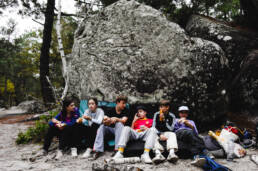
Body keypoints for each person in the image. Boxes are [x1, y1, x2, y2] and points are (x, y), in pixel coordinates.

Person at [92, 95, 129, 159]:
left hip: (121, 131)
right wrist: (107, 120)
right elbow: (105, 119)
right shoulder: (110, 110)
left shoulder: (126, 110)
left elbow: (123, 121)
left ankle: (117, 150)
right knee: (102, 126)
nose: (124, 105)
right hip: (111, 129)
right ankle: (97, 150)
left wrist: (116, 119)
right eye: (123, 103)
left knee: (119, 124)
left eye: (125, 103)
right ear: (117, 102)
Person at [152, 100, 179, 164]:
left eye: (162, 107)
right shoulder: (156, 114)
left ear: (167, 107)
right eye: (160, 107)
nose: (160, 109)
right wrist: (159, 134)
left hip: (167, 132)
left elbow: (171, 129)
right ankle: (158, 154)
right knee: (152, 133)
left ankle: (171, 153)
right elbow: (153, 127)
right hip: (158, 132)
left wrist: (165, 120)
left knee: (172, 134)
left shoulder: (172, 116)